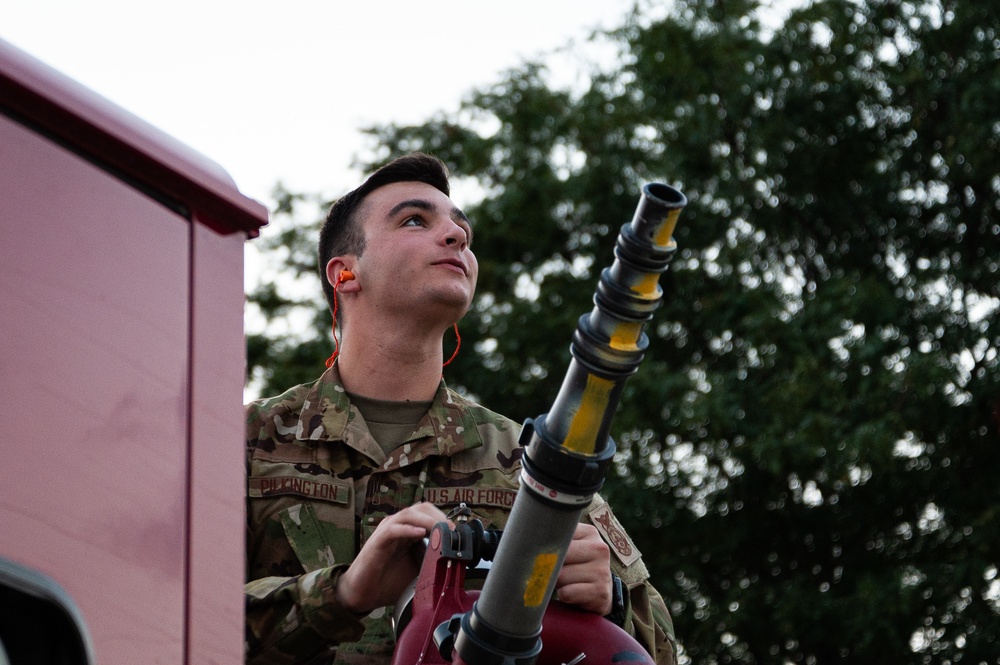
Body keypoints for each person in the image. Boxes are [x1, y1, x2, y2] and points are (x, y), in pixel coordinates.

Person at [244, 153, 677, 665]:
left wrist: (612, 602)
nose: (456, 236)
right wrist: (342, 595)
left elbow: (665, 652)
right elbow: (156, 615)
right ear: (344, 274)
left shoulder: (526, 463)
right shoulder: (244, 442)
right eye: (414, 220)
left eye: (460, 227)